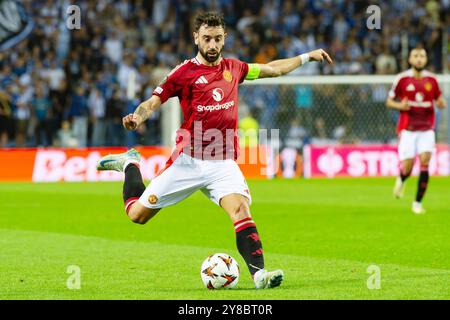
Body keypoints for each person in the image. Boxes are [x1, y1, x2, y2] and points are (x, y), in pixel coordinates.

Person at [97, 12, 332, 289]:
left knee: (241, 211)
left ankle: (259, 276)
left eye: (217, 39)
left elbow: (274, 69)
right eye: (207, 38)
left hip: (222, 164)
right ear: (196, 37)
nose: (212, 45)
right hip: (188, 161)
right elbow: (152, 101)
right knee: (136, 215)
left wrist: (308, 56)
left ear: (225, 39)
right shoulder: (183, 73)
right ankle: (130, 164)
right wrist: (137, 117)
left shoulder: (235, 68)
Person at [386, 47, 446, 214]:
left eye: (422, 56)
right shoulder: (402, 79)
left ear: (425, 59)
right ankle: (402, 178)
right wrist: (400, 105)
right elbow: (389, 101)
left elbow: (439, 99)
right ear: (410, 60)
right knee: (408, 166)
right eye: (416, 56)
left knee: (425, 161)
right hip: (408, 129)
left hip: (427, 128)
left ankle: (417, 203)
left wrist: (441, 103)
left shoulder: (432, 80)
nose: (419, 59)